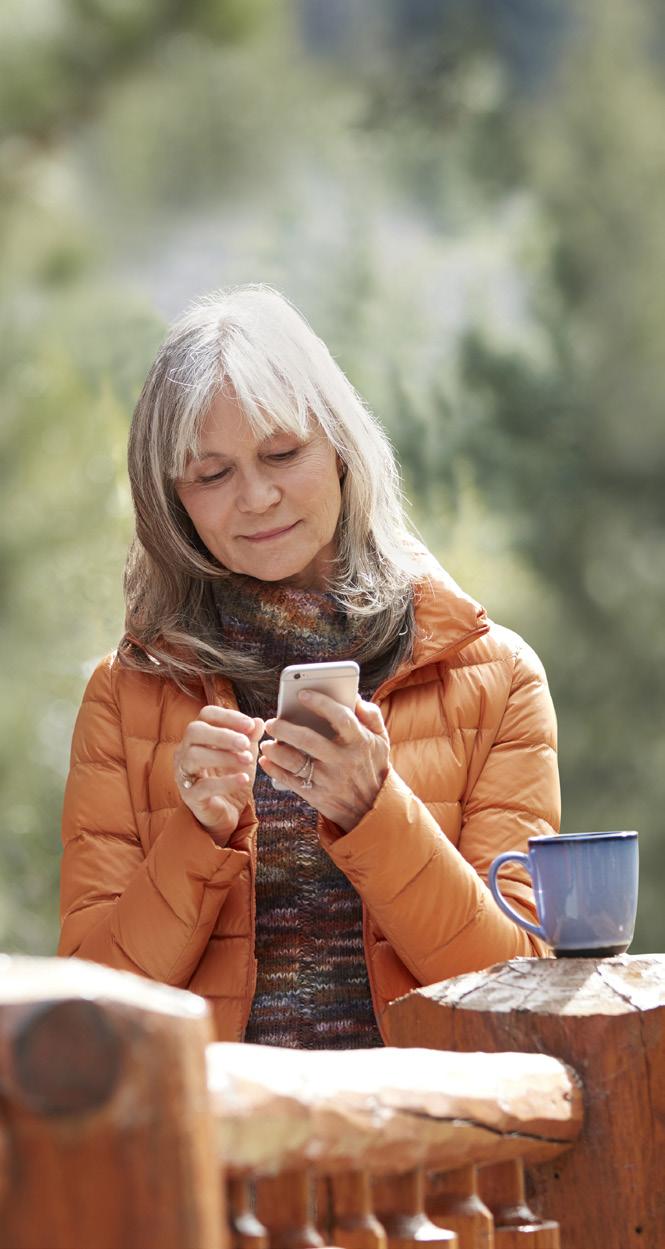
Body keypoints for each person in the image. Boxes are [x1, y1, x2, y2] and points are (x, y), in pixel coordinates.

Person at [59, 284, 560, 1048]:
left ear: (340, 449)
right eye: (212, 474)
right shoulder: (124, 698)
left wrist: (375, 810)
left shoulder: (494, 679)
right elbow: (89, 1017)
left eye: (281, 453)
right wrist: (196, 837)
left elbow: (517, 990)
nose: (256, 497)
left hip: (432, 1151)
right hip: (214, 1153)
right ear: (172, 501)